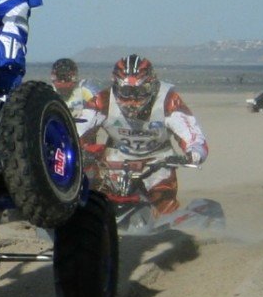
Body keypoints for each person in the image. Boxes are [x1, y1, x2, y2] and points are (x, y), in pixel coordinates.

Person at [80, 54, 208, 217]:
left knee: (164, 206)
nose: (132, 99)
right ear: (116, 87)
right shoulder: (102, 100)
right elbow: (78, 129)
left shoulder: (168, 100)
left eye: (140, 91)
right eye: (126, 92)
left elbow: (192, 133)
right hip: (115, 160)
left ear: (152, 85)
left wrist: (194, 153)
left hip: (158, 160)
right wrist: (79, 151)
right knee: (93, 199)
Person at [49, 58, 98, 134]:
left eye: (66, 77)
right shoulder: (49, 92)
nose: (63, 81)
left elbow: (97, 108)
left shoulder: (83, 89)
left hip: (80, 128)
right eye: (60, 77)